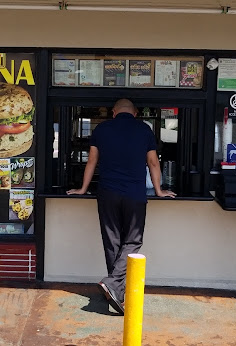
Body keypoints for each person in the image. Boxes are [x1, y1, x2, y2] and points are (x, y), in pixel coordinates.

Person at [67, 99, 175, 314]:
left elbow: (92, 161)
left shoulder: (102, 129)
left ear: (114, 112)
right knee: (133, 240)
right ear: (135, 113)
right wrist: (160, 190)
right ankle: (114, 285)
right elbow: (153, 163)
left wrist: (82, 188)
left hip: (107, 192)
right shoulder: (144, 129)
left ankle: (114, 288)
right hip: (134, 194)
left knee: (112, 241)